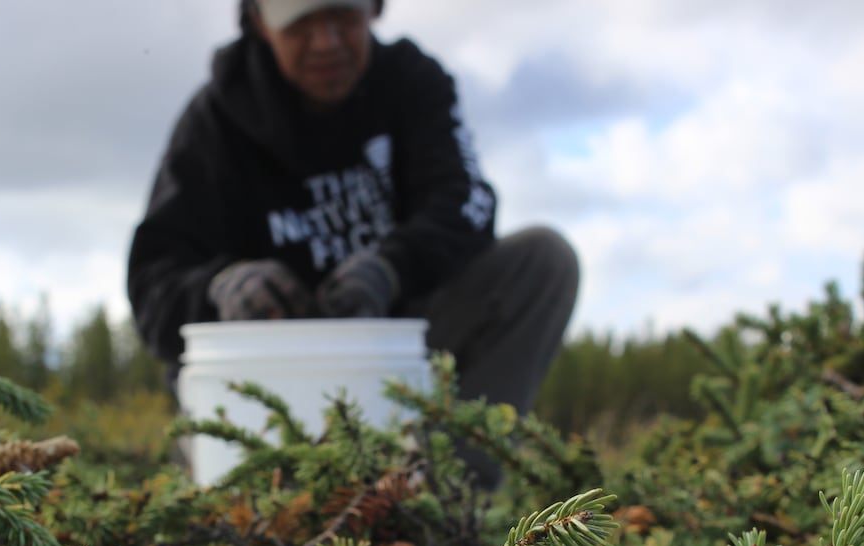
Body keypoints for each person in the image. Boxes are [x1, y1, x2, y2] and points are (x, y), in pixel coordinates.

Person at [127, 0, 578, 488]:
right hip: (265, 385)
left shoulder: (412, 83)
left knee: (543, 261)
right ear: (259, 22)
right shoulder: (212, 124)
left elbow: (466, 207)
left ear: (373, 9)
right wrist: (221, 286)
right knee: (260, 522)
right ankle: (235, 504)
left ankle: (448, 501)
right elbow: (152, 282)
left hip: (396, 367)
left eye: (342, 15)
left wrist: (393, 268)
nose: (327, 41)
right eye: (300, 23)